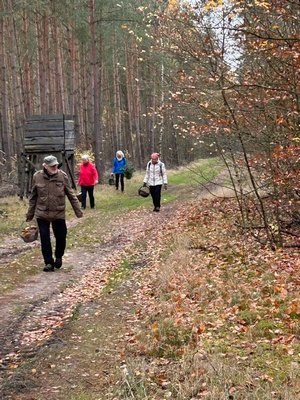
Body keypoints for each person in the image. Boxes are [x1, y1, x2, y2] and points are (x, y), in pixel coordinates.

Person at [26, 155, 83, 272]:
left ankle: (58, 256)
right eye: (52, 166)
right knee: (45, 239)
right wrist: (30, 214)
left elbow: (71, 195)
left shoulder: (62, 176)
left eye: (56, 165)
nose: (55, 167)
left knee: (61, 237)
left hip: (58, 213)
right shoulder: (37, 177)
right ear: (45, 166)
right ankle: (48, 263)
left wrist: (78, 211)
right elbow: (33, 197)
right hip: (42, 213)